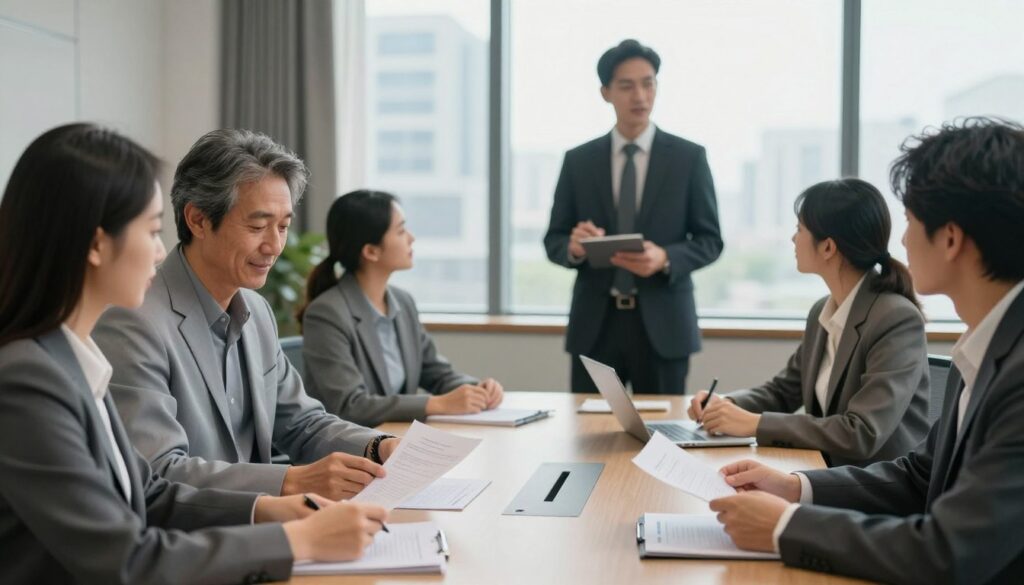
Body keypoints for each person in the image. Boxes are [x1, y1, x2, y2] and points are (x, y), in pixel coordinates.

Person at [0, 124, 388, 584]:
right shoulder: (29, 380)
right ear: (97, 245)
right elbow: (126, 560)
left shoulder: (72, 357)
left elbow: (148, 491)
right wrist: (295, 539)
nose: (161, 249)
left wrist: (270, 510)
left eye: (282, 226)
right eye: (151, 230)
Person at [709, 118, 1024, 583]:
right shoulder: (982, 348)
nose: (901, 240)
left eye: (912, 222)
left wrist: (786, 526)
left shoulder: (1015, 372)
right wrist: (795, 487)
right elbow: (920, 477)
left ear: (952, 239)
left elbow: (947, 553)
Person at [93, 129, 399, 501]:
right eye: (257, 226)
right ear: (199, 220)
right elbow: (157, 469)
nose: (274, 246)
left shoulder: (256, 311)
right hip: (197, 540)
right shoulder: (134, 321)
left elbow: (301, 422)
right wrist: (290, 483)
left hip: (263, 529)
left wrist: (378, 445)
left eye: (283, 226)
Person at [687, 178, 930, 467]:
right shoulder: (822, 312)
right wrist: (727, 405)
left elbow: (862, 432)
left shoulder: (895, 318)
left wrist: (755, 424)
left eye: (799, 229)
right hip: (826, 470)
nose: (793, 239)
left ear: (827, 247)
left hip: (877, 484)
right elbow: (783, 391)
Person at [544, 39, 723, 395]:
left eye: (649, 83)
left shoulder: (689, 158)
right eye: (626, 86)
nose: (639, 95)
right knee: (587, 436)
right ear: (605, 92)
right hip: (596, 324)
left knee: (662, 439)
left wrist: (666, 258)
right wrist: (576, 247)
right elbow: (554, 240)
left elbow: (710, 240)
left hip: (663, 324)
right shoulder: (578, 161)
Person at [298, 190, 504, 427]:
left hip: (395, 440)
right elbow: (350, 405)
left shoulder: (403, 302)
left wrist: (477, 389)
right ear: (371, 251)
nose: (411, 238)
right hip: (347, 452)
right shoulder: (327, 313)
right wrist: (436, 404)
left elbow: (434, 371)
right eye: (401, 230)